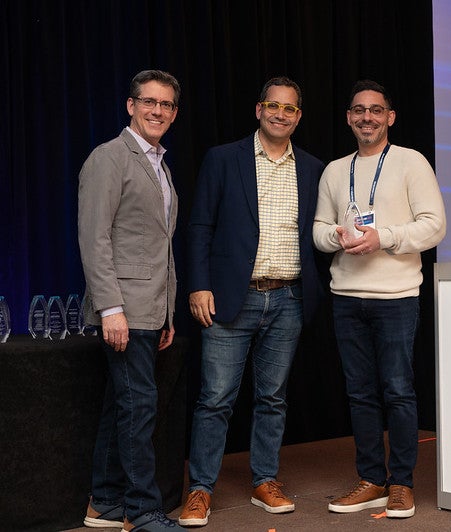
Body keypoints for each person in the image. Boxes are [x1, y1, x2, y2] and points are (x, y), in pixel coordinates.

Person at [178, 76, 326, 527]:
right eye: (273, 105)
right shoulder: (223, 159)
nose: (281, 114)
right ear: (258, 109)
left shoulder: (314, 168)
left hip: (289, 297)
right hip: (230, 297)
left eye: (290, 108)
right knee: (215, 399)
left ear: (299, 116)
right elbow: (200, 226)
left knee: (273, 398)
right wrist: (198, 285)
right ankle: (200, 489)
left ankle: (265, 480)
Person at [312, 79, 446, 519]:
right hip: (346, 298)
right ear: (348, 118)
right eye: (358, 110)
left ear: (390, 117)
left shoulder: (411, 162)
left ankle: (401, 483)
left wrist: (382, 237)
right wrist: (336, 236)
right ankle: (372, 480)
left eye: (375, 110)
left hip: (396, 298)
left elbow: (434, 225)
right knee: (360, 394)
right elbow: (318, 229)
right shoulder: (335, 170)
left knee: (398, 392)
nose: (366, 117)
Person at [78, 69, 185, 531]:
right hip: (124, 306)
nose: (157, 111)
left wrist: (168, 312)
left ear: (174, 113)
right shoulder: (109, 157)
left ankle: (104, 502)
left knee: (122, 405)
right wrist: (111, 309)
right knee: (139, 408)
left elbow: (160, 245)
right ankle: (141, 511)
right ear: (131, 105)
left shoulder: (160, 164)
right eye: (149, 102)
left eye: (166, 104)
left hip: (151, 308)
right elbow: (95, 238)